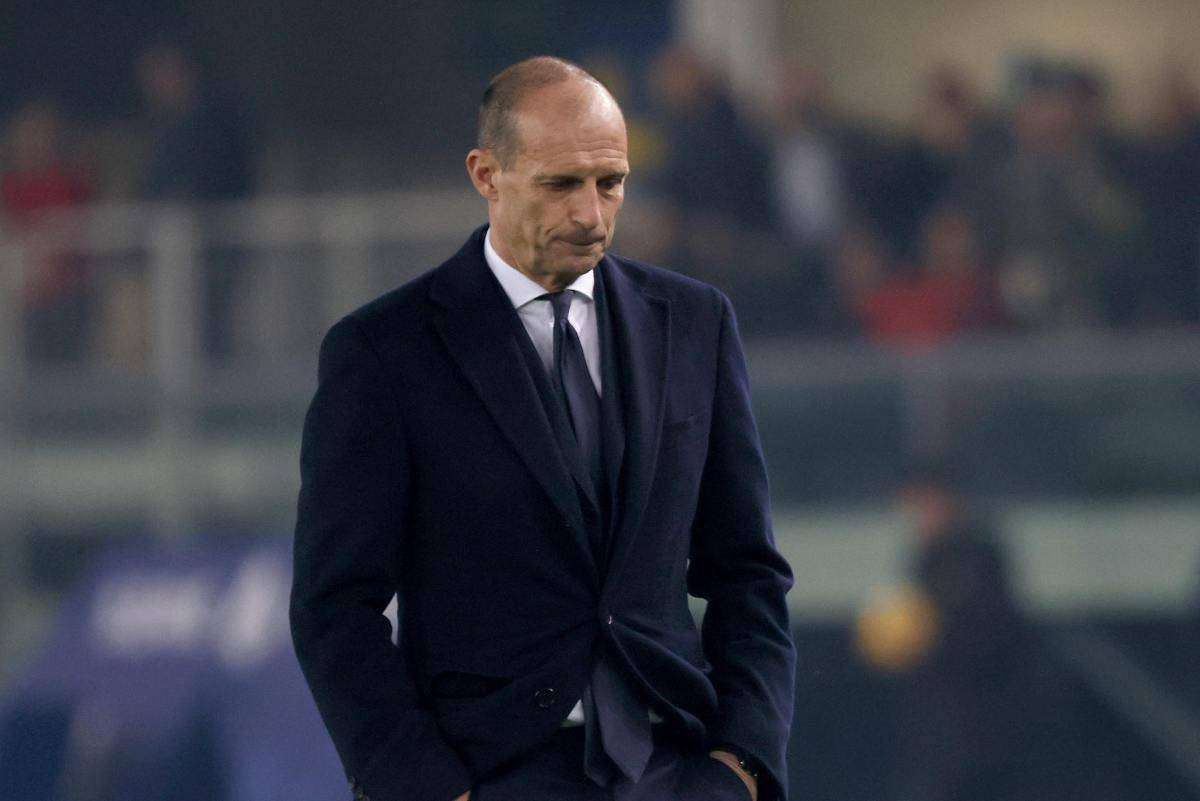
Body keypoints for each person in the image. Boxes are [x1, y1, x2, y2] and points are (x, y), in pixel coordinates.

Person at [290, 56, 796, 801]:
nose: (590, 214)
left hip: (677, 767)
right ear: (486, 175)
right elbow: (335, 607)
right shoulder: (384, 351)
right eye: (561, 184)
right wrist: (424, 786)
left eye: (610, 182)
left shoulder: (696, 323)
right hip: (489, 772)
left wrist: (741, 764)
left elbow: (748, 572)